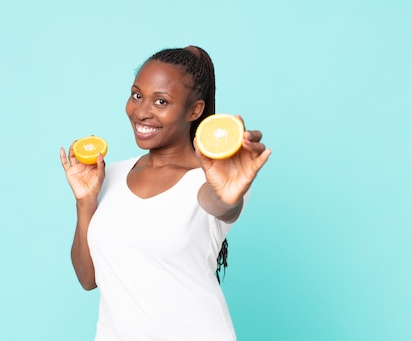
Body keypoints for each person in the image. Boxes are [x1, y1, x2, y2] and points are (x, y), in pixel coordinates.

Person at [60, 46, 271, 341]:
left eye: (161, 101)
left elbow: (219, 203)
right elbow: (88, 279)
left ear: (194, 110)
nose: (142, 111)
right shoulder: (112, 175)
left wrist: (226, 195)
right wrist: (85, 201)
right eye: (137, 95)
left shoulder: (213, 181)